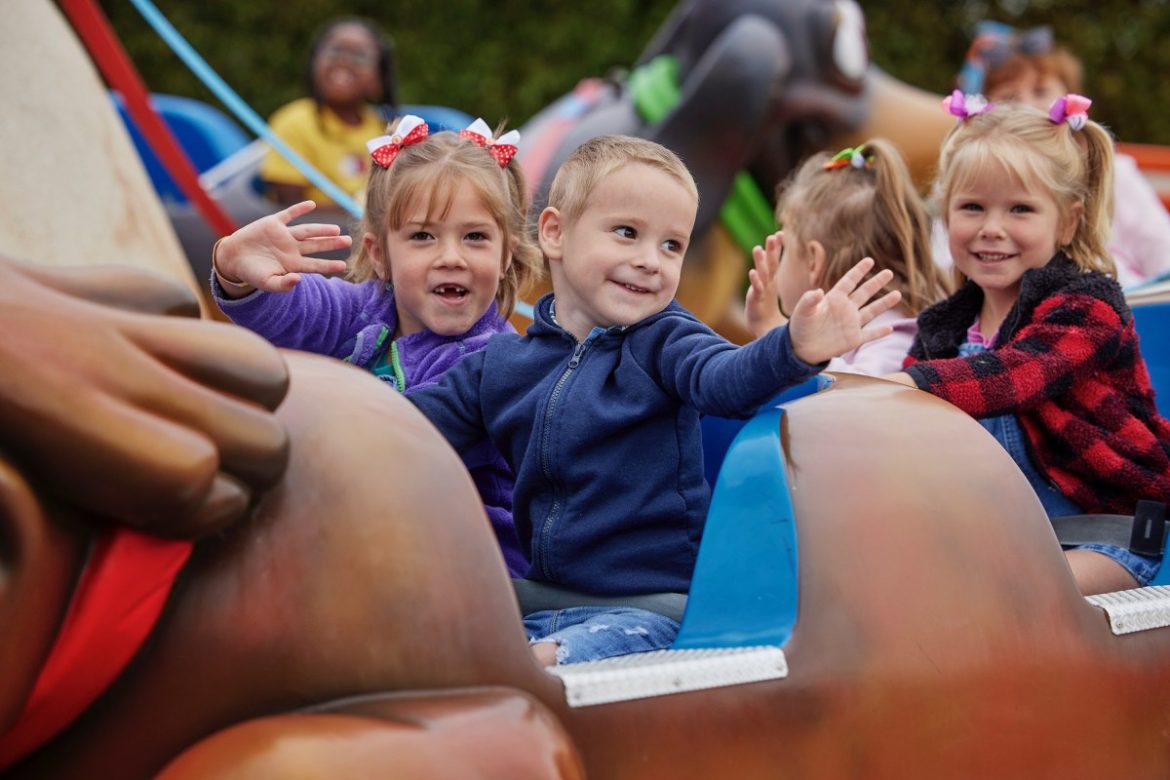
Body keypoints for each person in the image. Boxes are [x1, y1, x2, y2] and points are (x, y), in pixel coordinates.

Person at [408, 134, 901, 665]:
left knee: (528, 667)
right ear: (554, 233)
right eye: (627, 233)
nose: (650, 261)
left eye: (671, 246)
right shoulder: (503, 367)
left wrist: (794, 348)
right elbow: (404, 428)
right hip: (539, 598)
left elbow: (725, 379)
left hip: (648, 611)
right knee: (426, 642)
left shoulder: (664, 341)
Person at [211, 115, 542, 577]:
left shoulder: (493, 360)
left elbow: (406, 452)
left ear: (506, 254)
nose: (451, 256)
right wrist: (236, 270)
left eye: (475, 237)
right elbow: (297, 310)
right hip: (365, 535)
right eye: (423, 236)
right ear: (381, 254)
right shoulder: (363, 313)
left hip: (468, 569)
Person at [884, 96, 1170, 596]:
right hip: (1000, 541)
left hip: (1111, 535)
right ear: (945, 214)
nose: (991, 228)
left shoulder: (1088, 307)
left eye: (1020, 209)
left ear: (1068, 220)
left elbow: (1014, 375)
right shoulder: (942, 329)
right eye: (972, 207)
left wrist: (905, 385)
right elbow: (908, 434)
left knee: (1018, 596)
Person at [940, 21, 1170, 288]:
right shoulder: (969, 174)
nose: (1026, 104)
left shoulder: (1115, 172)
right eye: (1010, 96)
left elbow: (1160, 247)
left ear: (1072, 99)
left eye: (1040, 91)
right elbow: (944, 259)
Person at [743, 139, 951, 375]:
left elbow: (858, 399)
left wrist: (773, 328)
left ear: (813, 260)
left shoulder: (893, 332)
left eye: (787, 249)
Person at [260, 17, 397, 209]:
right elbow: (290, 207)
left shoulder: (386, 130)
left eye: (360, 56)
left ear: (379, 81)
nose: (344, 61)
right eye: (335, 51)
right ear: (314, 64)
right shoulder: (294, 122)